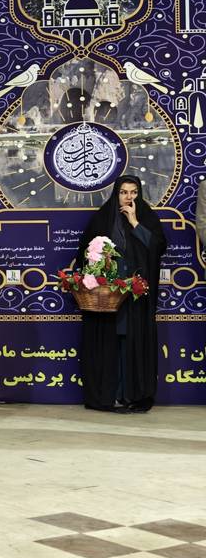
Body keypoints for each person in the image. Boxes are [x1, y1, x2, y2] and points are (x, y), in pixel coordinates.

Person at [76, 176, 166, 413]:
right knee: (109, 343)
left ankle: (132, 395)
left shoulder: (146, 217)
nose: (128, 197)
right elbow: (84, 252)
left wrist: (135, 222)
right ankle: (108, 395)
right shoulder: (102, 218)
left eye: (133, 192)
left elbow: (158, 247)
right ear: (116, 194)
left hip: (135, 298)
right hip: (107, 297)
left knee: (131, 342)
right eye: (124, 192)